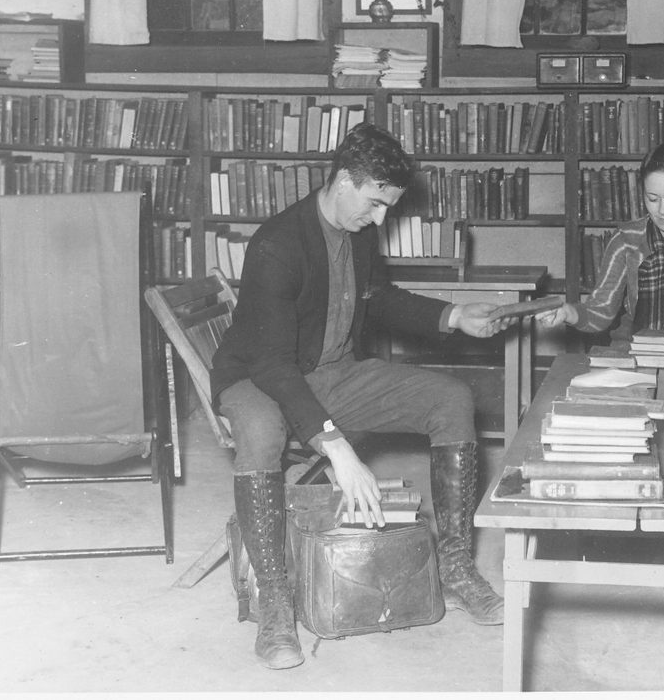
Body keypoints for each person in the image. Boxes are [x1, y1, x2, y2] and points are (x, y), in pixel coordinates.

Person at [210, 122, 511, 669]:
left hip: (332, 372)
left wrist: (452, 315)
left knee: (450, 399)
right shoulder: (276, 245)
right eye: (374, 204)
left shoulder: (361, 229)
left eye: (387, 209)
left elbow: (379, 298)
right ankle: (276, 600)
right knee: (260, 430)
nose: (379, 220)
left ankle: (458, 567)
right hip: (257, 376)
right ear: (343, 179)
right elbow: (274, 362)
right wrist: (336, 446)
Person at [537, 142, 664, 355]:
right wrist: (568, 312)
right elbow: (600, 310)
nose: (662, 210)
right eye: (652, 199)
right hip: (633, 353)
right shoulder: (626, 240)